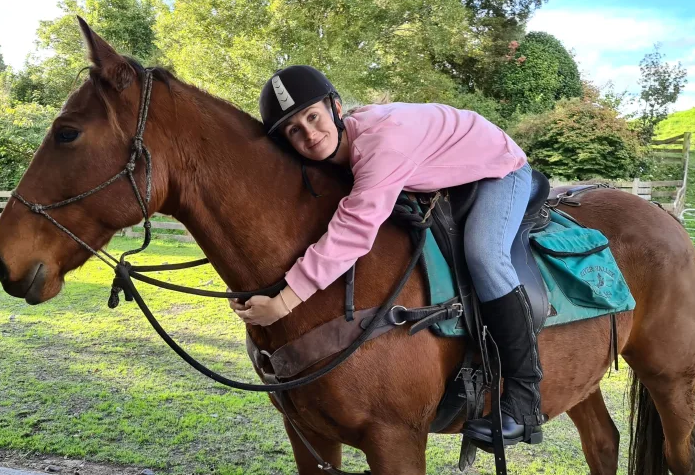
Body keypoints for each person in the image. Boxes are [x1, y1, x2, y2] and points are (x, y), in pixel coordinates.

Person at [229, 65, 544, 447]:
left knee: (484, 254)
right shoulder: (342, 145)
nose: (310, 134)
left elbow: (354, 230)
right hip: (439, 160)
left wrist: (284, 303)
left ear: (336, 108)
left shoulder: (382, 144)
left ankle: (524, 404)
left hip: (497, 168)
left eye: (313, 116)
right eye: (295, 130)